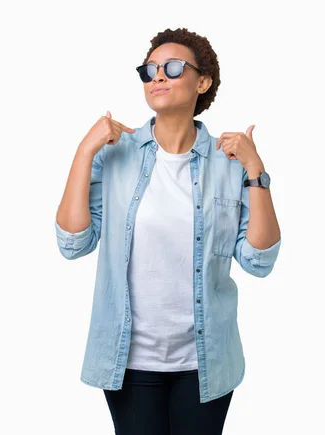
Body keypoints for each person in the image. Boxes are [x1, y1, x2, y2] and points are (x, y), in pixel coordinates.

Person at [55, 27, 281, 435]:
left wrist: (255, 172)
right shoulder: (115, 153)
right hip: (130, 360)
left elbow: (259, 260)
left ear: (203, 81)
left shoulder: (228, 163)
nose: (157, 76)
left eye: (173, 68)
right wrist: (84, 152)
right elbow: (73, 243)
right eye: (150, 70)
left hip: (206, 361)